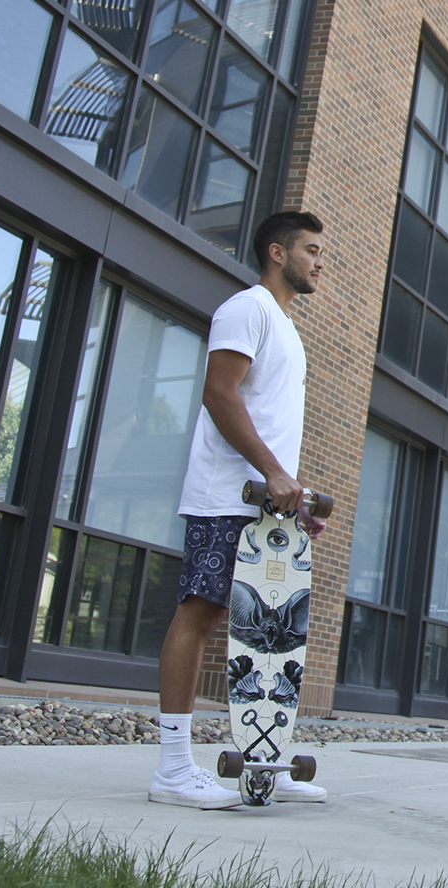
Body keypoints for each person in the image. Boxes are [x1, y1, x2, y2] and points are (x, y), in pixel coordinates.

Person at [148, 211, 327, 809]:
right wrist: (273, 473)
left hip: (265, 508)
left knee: (264, 637)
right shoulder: (247, 308)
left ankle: (263, 761)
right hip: (227, 498)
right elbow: (219, 393)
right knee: (200, 616)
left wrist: (293, 499)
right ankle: (173, 768)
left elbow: (269, 422)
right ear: (276, 252)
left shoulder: (284, 326)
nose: (318, 261)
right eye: (310, 250)